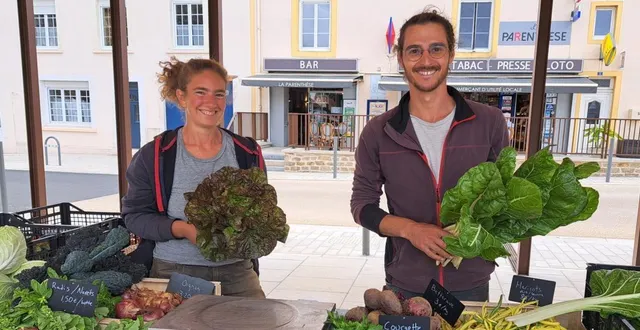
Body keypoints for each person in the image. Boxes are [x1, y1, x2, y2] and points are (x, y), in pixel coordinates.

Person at [350, 9, 509, 302]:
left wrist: (470, 233)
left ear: (450, 54)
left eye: (436, 49)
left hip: (471, 281)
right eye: (414, 51)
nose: (426, 61)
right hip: (406, 283)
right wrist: (411, 231)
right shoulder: (378, 131)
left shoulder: (489, 122)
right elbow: (362, 207)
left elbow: (504, 198)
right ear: (401, 58)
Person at [121, 56, 266, 298]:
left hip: (237, 272)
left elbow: (261, 210)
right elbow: (134, 217)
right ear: (182, 96)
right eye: (201, 92)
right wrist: (183, 229)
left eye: (219, 94)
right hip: (173, 272)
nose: (212, 102)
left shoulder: (246, 152)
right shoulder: (156, 155)